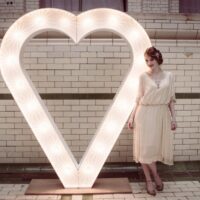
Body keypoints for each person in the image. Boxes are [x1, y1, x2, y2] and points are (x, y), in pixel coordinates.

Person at [128, 46, 177, 196]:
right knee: (145, 149)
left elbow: (171, 100)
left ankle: (153, 177)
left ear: (158, 59)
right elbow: (138, 99)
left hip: (161, 114)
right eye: (147, 60)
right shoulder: (143, 77)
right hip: (144, 114)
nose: (149, 63)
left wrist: (173, 118)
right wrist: (131, 116)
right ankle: (151, 179)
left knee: (154, 149)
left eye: (152, 59)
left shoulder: (169, 76)